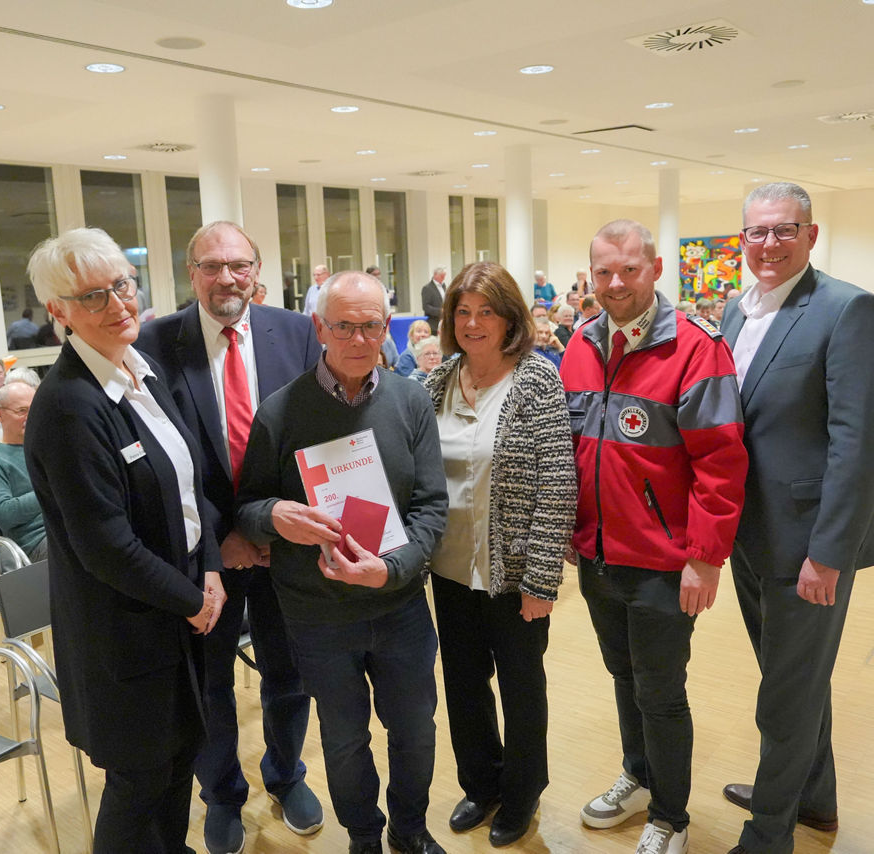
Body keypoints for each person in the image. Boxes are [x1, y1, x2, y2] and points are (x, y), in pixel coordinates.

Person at [23, 226, 226, 852]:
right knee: (140, 780)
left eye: (122, 285)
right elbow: (106, 546)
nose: (117, 305)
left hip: (179, 607)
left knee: (180, 759)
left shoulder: (142, 371)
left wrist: (210, 568)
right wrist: (192, 600)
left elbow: (190, 487)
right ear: (58, 311)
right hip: (126, 630)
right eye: (92, 296)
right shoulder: (69, 406)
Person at [235, 271, 448, 854]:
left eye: (371, 326)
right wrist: (275, 514)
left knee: (415, 732)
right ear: (319, 328)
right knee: (345, 740)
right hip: (319, 615)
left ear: (388, 327)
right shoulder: (281, 411)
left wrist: (392, 570)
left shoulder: (410, 400)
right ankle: (363, 837)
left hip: (400, 606)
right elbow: (247, 509)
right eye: (344, 326)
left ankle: (409, 830)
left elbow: (432, 506)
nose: (358, 339)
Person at [718, 183, 874, 854]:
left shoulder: (848, 309)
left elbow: (860, 444)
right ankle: (811, 800)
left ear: (811, 236)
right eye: (757, 232)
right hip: (750, 534)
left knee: (786, 694)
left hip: (809, 544)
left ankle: (769, 833)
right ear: (743, 239)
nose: (769, 244)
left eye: (784, 230)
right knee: (793, 679)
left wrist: (829, 553)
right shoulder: (737, 310)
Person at [560, 219, 747, 854]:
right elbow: (573, 450)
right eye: (603, 271)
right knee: (623, 675)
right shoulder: (582, 342)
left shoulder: (696, 347)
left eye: (629, 270)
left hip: (665, 562)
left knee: (660, 692)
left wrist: (705, 558)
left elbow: (720, 464)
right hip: (597, 555)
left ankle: (670, 817)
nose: (615, 283)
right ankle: (638, 777)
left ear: (656, 269)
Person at [138, 220, 324, 854]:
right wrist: (225, 540)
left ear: (256, 270)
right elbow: (167, 461)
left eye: (238, 265)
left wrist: (275, 525)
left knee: (288, 672)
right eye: (211, 266)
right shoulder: (154, 344)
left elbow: (311, 438)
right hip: (207, 554)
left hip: (286, 543)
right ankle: (221, 794)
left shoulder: (296, 332)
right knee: (210, 682)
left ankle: (287, 774)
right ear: (191, 273)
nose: (227, 278)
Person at [422, 262, 575, 847]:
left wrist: (541, 580)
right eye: (463, 311)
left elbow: (557, 485)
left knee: (520, 687)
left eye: (487, 311)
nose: (473, 323)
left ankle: (522, 792)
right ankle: (481, 784)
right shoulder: (439, 380)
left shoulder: (536, 380)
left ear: (510, 317)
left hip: (513, 574)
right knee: (463, 685)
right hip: (449, 568)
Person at [0, 381, 47, 562]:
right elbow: (4, 514)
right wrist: (54, 488)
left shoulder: (50, 447)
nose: (31, 417)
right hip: (36, 543)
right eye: (22, 411)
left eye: (35, 409)